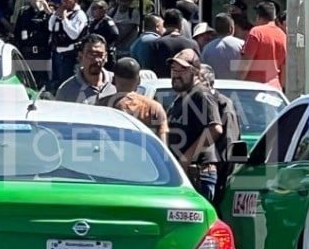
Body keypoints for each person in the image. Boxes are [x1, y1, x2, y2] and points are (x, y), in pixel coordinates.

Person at [165, 48, 223, 202]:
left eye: (182, 70)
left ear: (195, 72)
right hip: (183, 173)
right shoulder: (181, 97)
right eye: (173, 69)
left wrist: (186, 158)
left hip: (198, 174)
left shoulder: (201, 94)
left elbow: (215, 128)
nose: (176, 74)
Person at [97, 57, 168, 143]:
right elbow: (163, 146)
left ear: (113, 80)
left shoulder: (101, 106)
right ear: (139, 81)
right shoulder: (154, 108)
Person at [199, 64, 240, 204]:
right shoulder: (188, 102)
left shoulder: (223, 106)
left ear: (208, 83)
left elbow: (229, 145)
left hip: (213, 175)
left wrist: (221, 177)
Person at [237, 0, 287, 91]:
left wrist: (237, 85)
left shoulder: (256, 32)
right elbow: (283, 69)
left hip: (254, 89)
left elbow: (246, 63)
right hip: (275, 89)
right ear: (274, 17)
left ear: (258, 16)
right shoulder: (282, 35)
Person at [54, 34, 116, 104]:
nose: (96, 59)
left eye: (100, 55)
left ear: (106, 57)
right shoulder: (66, 90)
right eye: (90, 54)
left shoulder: (117, 83)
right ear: (80, 57)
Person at [12, 0, 53, 87]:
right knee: (26, 82)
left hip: (42, 53)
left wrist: (47, 11)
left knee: (41, 82)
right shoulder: (24, 12)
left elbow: (53, 28)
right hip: (26, 53)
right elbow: (17, 32)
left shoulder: (48, 12)